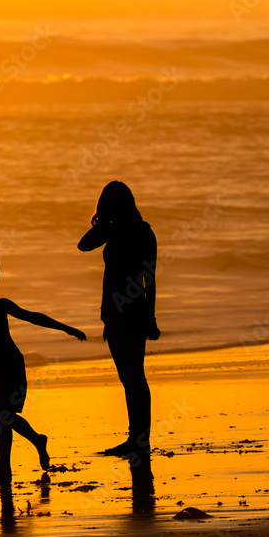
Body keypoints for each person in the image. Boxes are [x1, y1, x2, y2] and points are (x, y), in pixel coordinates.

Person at [0, 259, 86, 484]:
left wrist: (67, 328)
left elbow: (33, 317)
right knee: (3, 415)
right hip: (2, 365)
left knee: (2, 415)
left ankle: (26, 448)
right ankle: (8, 462)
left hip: (7, 364)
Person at [77, 181, 160, 456]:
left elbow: (150, 278)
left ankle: (138, 439)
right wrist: (105, 223)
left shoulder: (132, 232)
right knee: (132, 377)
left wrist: (151, 317)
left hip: (129, 311)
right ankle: (137, 438)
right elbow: (83, 245)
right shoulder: (129, 231)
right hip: (118, 311)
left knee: (133, 377)